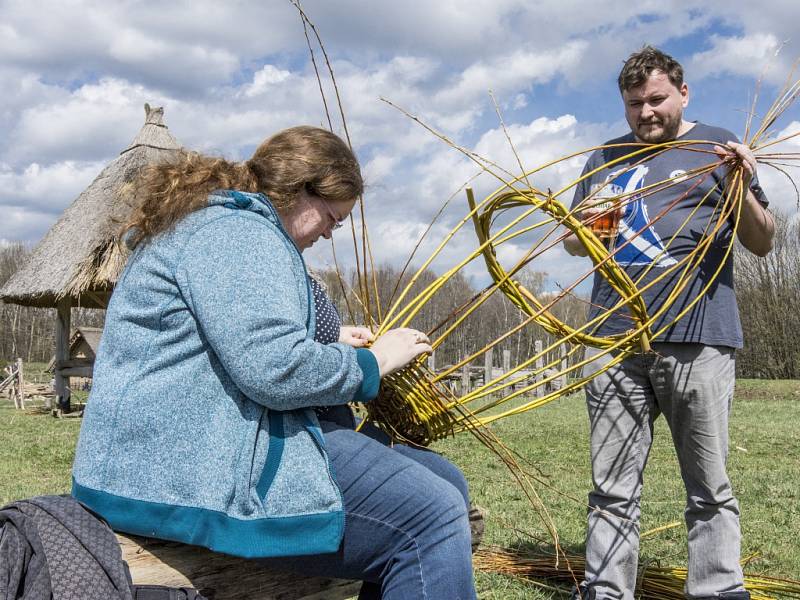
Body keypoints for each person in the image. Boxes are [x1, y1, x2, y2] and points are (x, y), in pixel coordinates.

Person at [71, 126, 477, 600]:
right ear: (299, 191)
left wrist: (335, 344)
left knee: (446, 481)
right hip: (182, 471)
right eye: (331, 217)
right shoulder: (238, 234)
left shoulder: (226, 227)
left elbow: (249, 341)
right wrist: (374, 362)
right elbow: (275, 369)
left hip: (197, 446)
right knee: (433, 515)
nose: (329, 232)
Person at [563, 47, 775, 600]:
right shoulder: (604, 157)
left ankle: (718, 588)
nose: (646, 113)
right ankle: (606, 590)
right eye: (635, 104)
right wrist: (583, 224)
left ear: (683, 93)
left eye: (657, 100)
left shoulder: (717, 147)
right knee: (611, 487)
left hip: (698, 337)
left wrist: (740, 185)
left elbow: (762, 240)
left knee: (708, 485)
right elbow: (571, 244)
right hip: (612, 341)